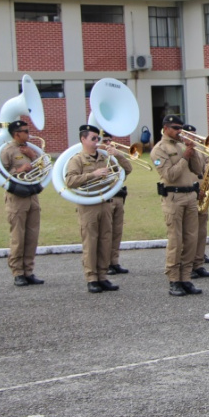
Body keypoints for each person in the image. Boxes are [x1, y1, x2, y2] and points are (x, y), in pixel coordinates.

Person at [64, 124, 130, 293]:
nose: (97, 142)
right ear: (83, 139)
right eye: (93, 138)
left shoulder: (104, 157)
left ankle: (103, 276)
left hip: (105, 203)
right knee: (91, 242)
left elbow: (127, 170)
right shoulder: (77, 159)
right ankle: (92, 278)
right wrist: (93, 175)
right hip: (88, 206)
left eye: (97, 138)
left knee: (105, 241)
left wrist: (118, 156)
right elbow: (70, 181)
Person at [150, 115, 203, 297]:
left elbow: (198, 169)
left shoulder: (182, 146)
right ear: (165, 128)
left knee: (191, 239)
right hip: (173, 196)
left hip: (190, 195)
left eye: (181, 127)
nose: (179, 131)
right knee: (176, 240)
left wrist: (192, 152)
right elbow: (169, 175)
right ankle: (174, 280)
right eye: (175, 127)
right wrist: (184, 158)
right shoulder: (159, 150)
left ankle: (186, 278)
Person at [0, 120, 44, 287]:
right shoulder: (7, 151)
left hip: (32, 195)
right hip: (16, 198)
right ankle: (18, 272)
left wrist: (33, 157)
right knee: (18, 237)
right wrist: (18, 170)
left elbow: (44, 166)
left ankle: (28, 271)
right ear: (16, 134)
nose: (28, 133)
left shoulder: (30, 149)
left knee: (32, 236)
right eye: (25, 131)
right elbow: (1, 173)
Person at [181, 124, 209, 280]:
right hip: (190, 193)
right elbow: (184, 173)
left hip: (202, 192)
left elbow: (206, 163)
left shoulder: (199, 149)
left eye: (194, 134)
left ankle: (199, 263)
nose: (192, 137)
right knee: (190, 233)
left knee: (201, 231)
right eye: (189, 134)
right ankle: (189, 265)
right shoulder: (181, 150)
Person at [100, 132, 132, 276]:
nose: (108, 143)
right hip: (105, 198)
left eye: (110, 141)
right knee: (106, 233)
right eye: (105, 141)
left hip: (118, 197)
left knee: (117, 232)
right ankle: (105, 263)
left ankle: (114, 262)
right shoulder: (98, 157)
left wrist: (118, 155)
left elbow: (128, 169)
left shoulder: (113, 157)